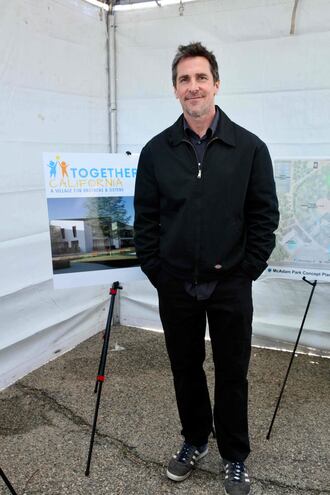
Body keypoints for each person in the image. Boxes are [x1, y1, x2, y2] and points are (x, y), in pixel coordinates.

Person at [133, 42, 279, 495]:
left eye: (200, 78)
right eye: (184, 79)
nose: (192, 87)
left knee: (232, 370)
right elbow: (146, 219)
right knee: (186, 367)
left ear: (216, 84)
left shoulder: (250, 148)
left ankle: (234, 455)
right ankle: (195, 439)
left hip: (231, 282)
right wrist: (159, 270)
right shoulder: (156, 152)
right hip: (176, 283)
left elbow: (263, 215)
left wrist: (248, 269)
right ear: (175, 90)